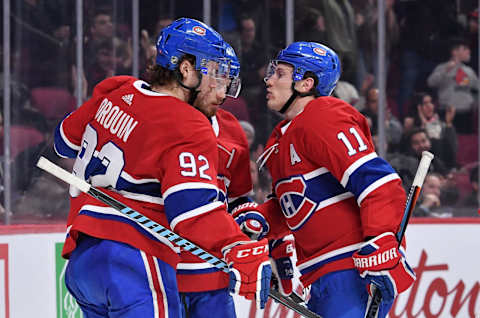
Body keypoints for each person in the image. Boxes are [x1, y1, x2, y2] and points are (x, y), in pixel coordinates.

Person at [53, 18, 271, 317]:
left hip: (82, 260)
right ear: (186, 69)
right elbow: (190, 210)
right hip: (134, 257)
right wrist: (236, 246)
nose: (220, 92)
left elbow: (63, 141)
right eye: (215, 74)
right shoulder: (187, 122)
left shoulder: (117, 90)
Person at [234, 42, 415, 317]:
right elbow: (293, 203)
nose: (269, 80)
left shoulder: (324, 117)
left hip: (351, 270)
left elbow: (379, 183)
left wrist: (382, 238)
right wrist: (261, 222)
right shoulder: (283, 136)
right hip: (321, 275)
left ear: (306, 84)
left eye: (280, 74)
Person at [176, 43, 293, 318]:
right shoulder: (163, 120)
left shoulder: (232, 132)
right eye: (216, 81)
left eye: (227, 84)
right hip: (164, 269)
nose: (221, 93)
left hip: (213, 272)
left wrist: (254, 230)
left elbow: (238, 199)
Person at [426, 38, 479, 133]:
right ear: (455, 52)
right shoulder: (442, 68)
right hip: (446, 112)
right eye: (465, 49)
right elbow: (431, 83)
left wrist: (475, 104)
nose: (469, 51)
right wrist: (446, 69)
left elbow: (477, 89)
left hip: (465, 114)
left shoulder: (469, 71)